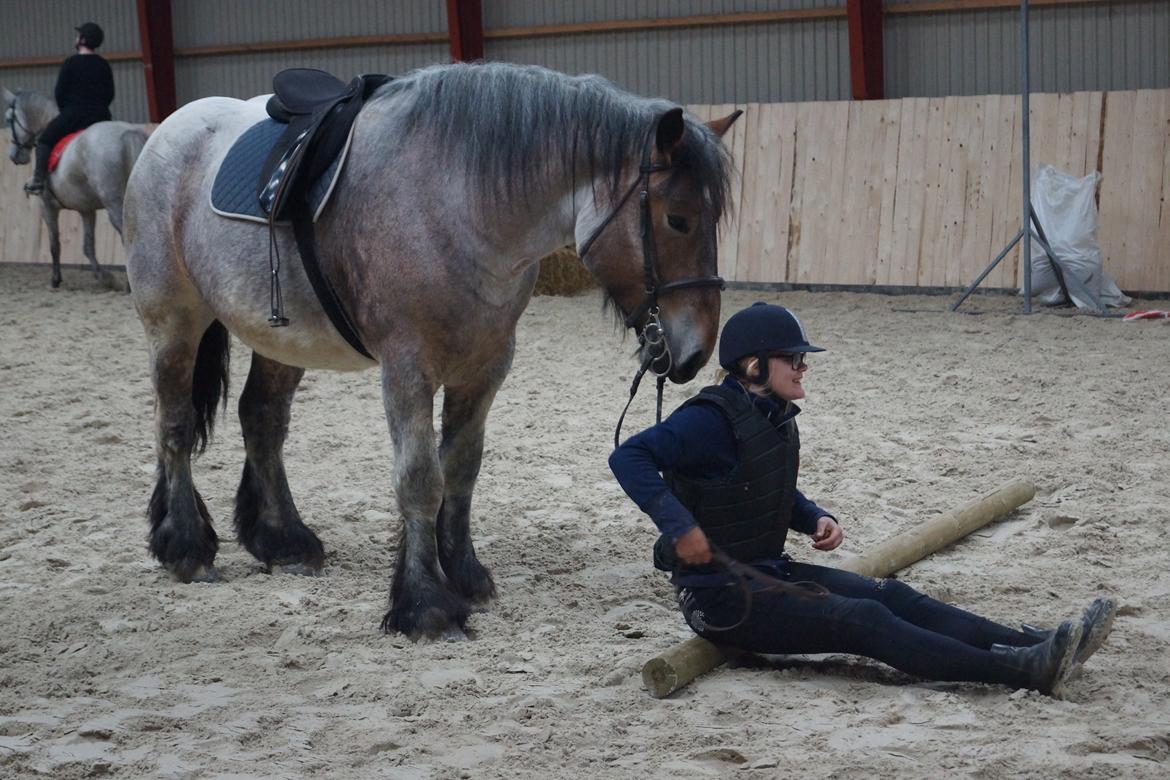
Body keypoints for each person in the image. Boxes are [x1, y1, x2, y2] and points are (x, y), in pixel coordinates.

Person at [609, 301, 1116, 697]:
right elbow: (628, 457)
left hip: (768, 570)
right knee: (863, 620)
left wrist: (812, 517)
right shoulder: (706, 419)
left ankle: (1037, 644)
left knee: (891, 595)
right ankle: (1021, 672)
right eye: (794, 358)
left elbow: (754, 483)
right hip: (718, 599)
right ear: (753, 364)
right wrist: (679, 526)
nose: (803, 368)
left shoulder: (772, 416)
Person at [24, 22, 115, 195]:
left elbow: (60, 93)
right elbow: (110, 93)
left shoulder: (70, 63)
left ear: (82, 40)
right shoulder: (103, 64)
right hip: (101, 116)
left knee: (44, 140)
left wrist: (68, 111)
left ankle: (38, 180)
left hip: (74, 114)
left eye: (78, 35)